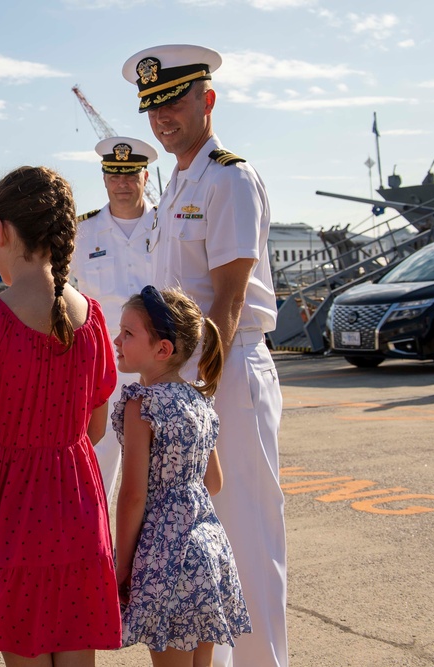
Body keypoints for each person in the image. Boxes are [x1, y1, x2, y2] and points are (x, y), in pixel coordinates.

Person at [123, 44, 287, 667]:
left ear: (207, 100)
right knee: (202, 541)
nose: (164, 118)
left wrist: (200, 395)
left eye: (175, 102)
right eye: (152, 108)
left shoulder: (229, 178)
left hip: (227, 374)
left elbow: (228, 300)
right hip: (182, 382)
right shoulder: (176, 188)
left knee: (246, 533)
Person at [0, 166, 121, 666]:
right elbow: (96, 425)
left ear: (1, 231)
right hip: (77, 501)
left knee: (23, 649)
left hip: (10, 508)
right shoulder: (91, 316)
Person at [112, 285, 251, 666]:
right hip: (208, 549)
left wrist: (122, 564)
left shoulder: (142, 404)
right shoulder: (198, 400)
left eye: (128, 333)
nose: (116, 340)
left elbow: (134, 496)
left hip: (166, 557)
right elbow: (214, 482)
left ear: (163, 349)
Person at [70, 136, 159, 504]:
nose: (122, 184)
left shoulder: (167, 225)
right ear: (105, 179)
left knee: (161, 466)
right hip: (103, 365)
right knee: (97, 463)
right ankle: (97, 550)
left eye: (130, 175)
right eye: (113, 176)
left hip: (159, 364)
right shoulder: (81, 232)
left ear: (145, 177)